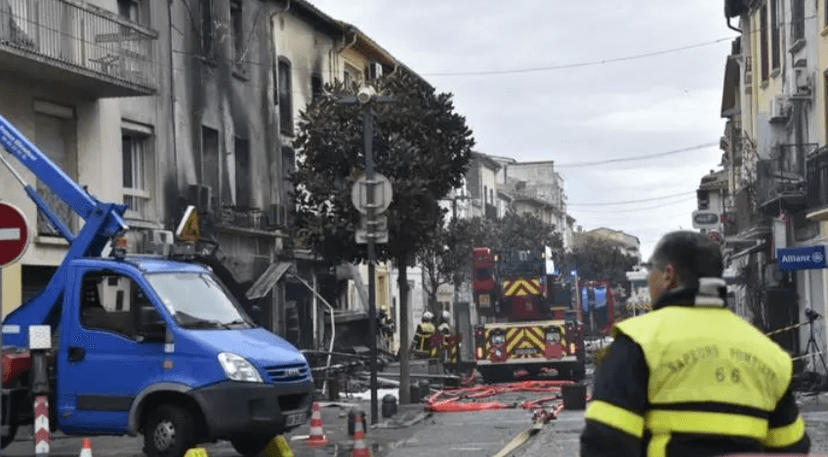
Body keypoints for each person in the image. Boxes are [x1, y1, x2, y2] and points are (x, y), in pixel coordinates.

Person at [580, 230, 810, 457]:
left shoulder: (639, 341)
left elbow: (606, 441)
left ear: (668, 275)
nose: (649, 279)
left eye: (651, 270)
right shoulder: (770, 355)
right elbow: (791, 448)